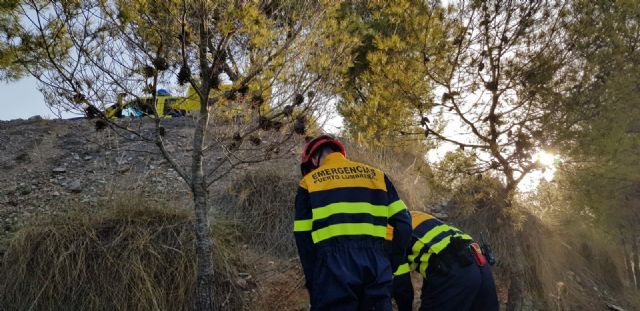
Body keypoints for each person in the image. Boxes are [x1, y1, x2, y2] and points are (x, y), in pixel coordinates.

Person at [294, 135, 412, 311]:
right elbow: (404, 223)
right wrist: (389, 262)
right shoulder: (378, 176)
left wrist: (314, 281)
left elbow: (303, 239)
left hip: (332, 269)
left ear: (314, 158)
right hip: (377, 265)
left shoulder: (308, 183)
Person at [390, 211, 499, 311]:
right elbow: (433, 263)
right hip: (480, 263)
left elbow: (401, 285)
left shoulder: (389, 230)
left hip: (453, 272)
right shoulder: (415, 215)